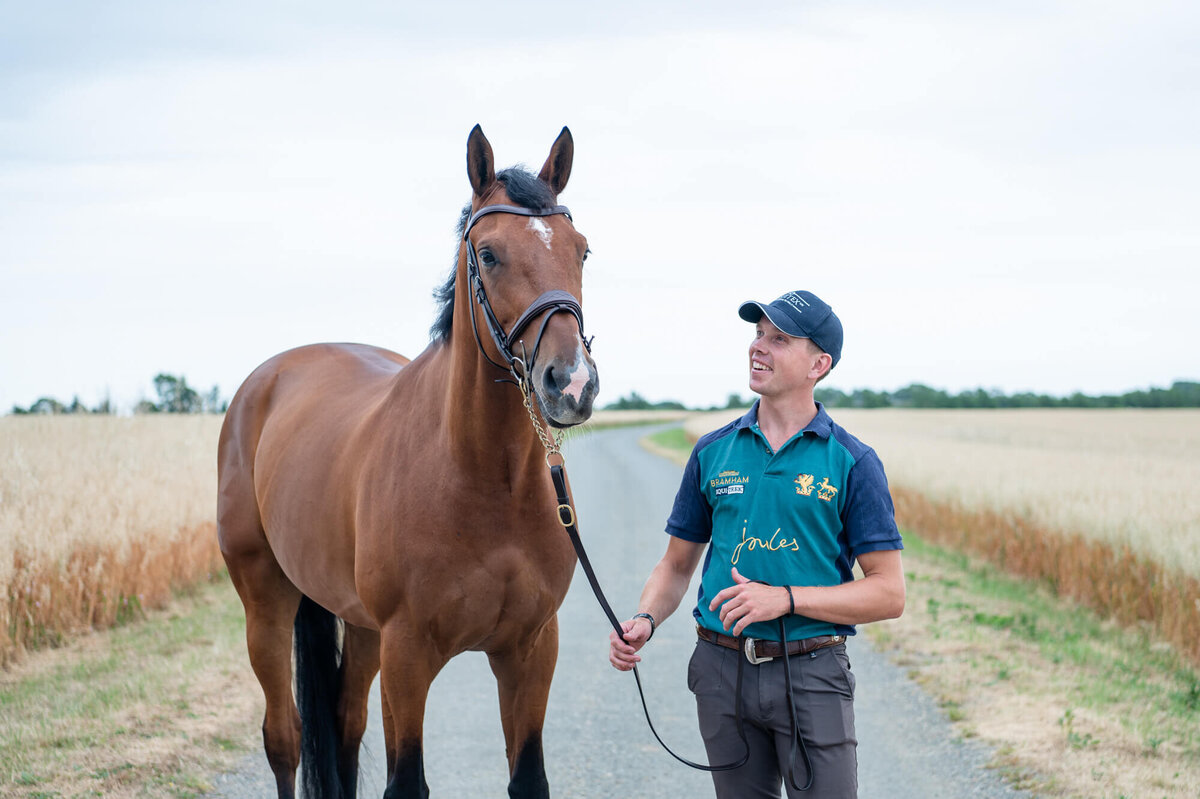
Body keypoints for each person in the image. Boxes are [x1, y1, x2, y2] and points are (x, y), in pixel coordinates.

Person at [608, 290, 905, 798]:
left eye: (780, 339)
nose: (758, 347)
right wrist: (645, 619)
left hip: (812, 672)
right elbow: (677, 566)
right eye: (758, 334)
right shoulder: (713, 451)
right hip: (721, 672)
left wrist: (786, 599)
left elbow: (888, 594)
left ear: (819, 363)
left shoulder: (852, 462)